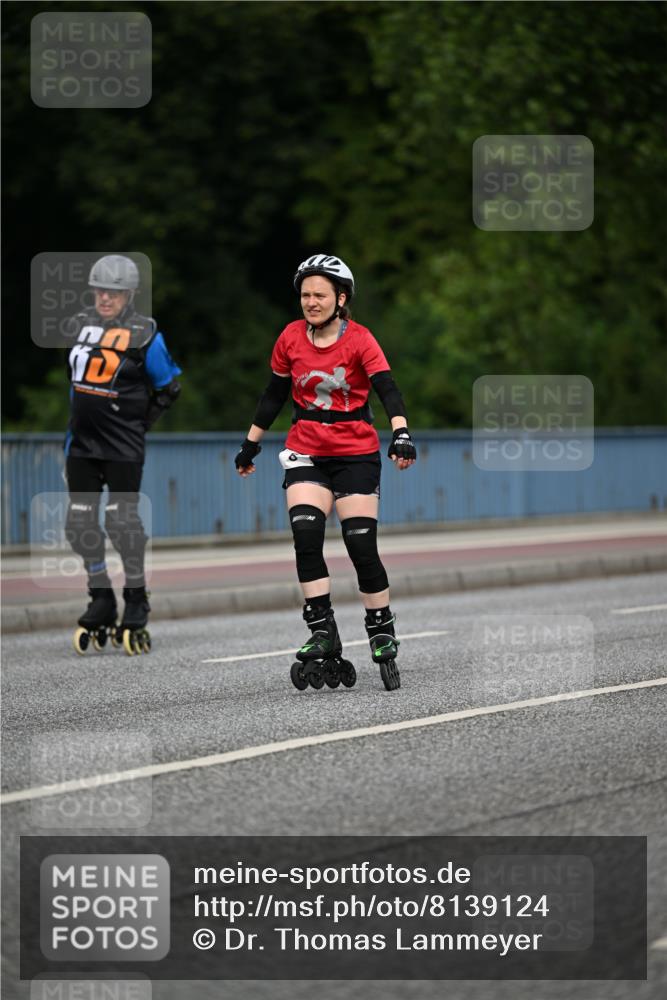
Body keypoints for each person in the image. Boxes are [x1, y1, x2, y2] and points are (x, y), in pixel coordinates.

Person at [235, 253, 416, 690]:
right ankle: (322, 629)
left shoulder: (361, 340)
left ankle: (381, 627)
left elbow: (387, 389)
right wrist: (250, 444)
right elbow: (274, 394)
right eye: (305, 294)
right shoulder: (290, 338)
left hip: (356, 452)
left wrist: (402, 434)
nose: (310, 302)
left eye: (319, 294)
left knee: (360, 545)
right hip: (306, 451)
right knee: (306, 536)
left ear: (341, 297)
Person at [64, 254, 182, 654]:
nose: (105, 297)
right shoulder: (81, 325)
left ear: (129, 294)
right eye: (99, 289)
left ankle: (135, 598)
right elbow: (75, 386)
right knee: (78, 525)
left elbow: (169, 388)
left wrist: (138, 426)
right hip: (81, 445)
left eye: (113, 291)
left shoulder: (146, 333)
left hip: (122, 447)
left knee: (121, 523)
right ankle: (101, 597)